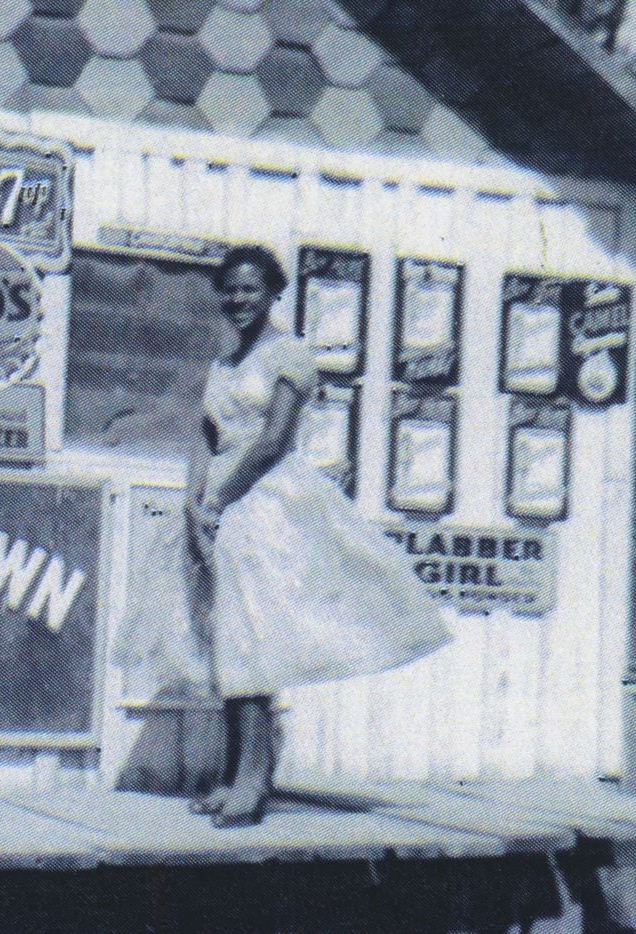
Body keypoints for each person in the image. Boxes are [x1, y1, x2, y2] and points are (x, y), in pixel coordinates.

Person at [182, 245, 452, 827]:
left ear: (273, 292)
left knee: (253, 640)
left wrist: (222, 499)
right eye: (228, 289)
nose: (237, 300)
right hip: (219, 508)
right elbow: (208, 435)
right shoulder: (222, 365)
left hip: (267, 505)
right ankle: (233, 774)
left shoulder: (291, 356)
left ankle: (253, 785)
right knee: (228, 640)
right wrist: (194, 499)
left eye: (249, 289)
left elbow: (274, 440)